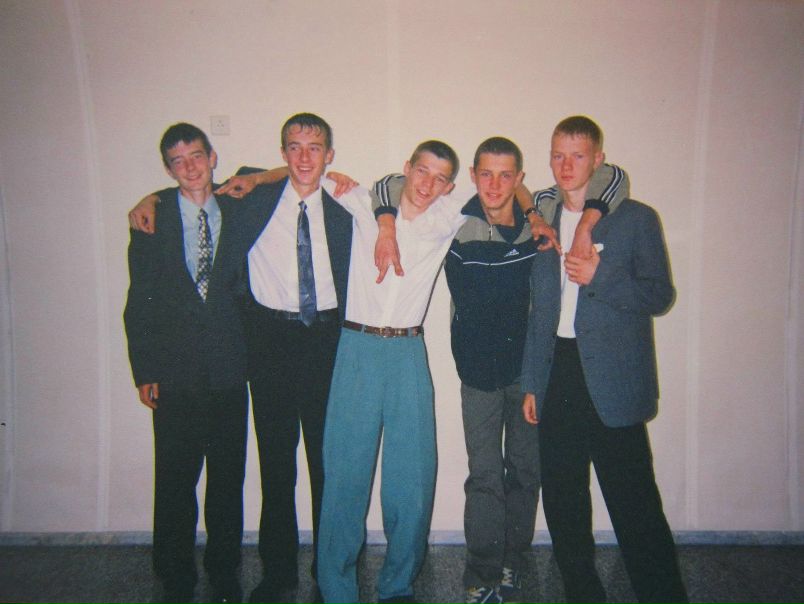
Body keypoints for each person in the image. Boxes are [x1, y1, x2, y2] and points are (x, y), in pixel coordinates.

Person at [373, 140, 626, 604]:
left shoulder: (540, 222)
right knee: (485, 476)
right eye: (486, 174)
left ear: (519, 178)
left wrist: (536, 213)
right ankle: (482, 572)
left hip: (529, 376)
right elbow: (389, 184)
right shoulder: (453, 220)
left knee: (526, 473)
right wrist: (386, 224)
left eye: (506, 175)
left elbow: (614, 177)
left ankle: (513, 562)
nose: (494, 184)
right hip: (477, 376)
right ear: (472, 175)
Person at [129, 113, 355, 604]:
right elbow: (194, 191)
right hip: (266, 346)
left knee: (326, 467)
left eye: (314, 147)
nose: (303, 157)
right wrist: (149, 199)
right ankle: (275, 572)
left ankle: (328, 570)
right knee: (273, 466)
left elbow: (393, 196)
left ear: (329, 154)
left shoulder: (343, 206)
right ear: (282, 152)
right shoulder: (248, 198)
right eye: (293, 147)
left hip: (323, 345)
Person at [521, 115, 688, 604]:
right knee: (563, 499)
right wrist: (532, 380)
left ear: (598, 159)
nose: (566, 165)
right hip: (557, 372)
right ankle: (582, 593)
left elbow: (660, 295)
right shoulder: (542, 219)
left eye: (577, 155)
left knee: (634, 503)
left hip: (614, 378)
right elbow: (538, 312)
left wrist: (602, 277)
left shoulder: (636, 219)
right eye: (558, 155)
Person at [123, 122, 249, 604]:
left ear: (213, 157)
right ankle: (175, 571)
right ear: (168, 169)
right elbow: (139, 301)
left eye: (197, 155)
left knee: (227, 479)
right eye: (178, 161)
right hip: (174, 373)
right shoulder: (150, 221)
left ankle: (224, 567)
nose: (190, 167)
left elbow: (289, 172)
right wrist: (145, 370)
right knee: (175, 478)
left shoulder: (239, 205)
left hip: (229, 368)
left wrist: (253, 178)